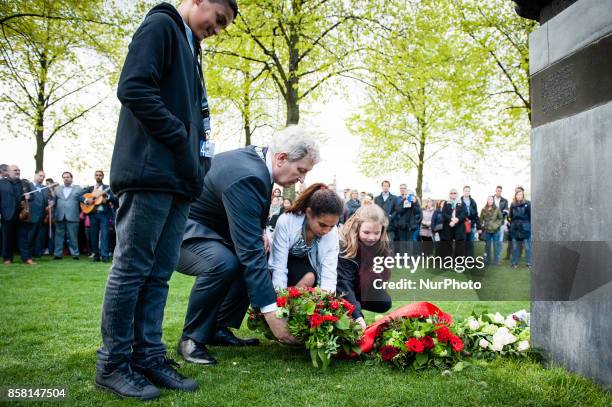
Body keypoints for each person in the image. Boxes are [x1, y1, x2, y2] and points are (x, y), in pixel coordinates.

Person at [95, 0, 238, 401]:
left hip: (178, 180)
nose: (218, 28)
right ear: (198, 2)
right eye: (219, 18)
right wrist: (179, 136)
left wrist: (196, 164)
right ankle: (114, 363)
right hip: (149, 174)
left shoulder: (190, 46)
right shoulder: (160, 26)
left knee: (158, 275)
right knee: (132, 269)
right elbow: (134, 87)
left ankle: (148, 357)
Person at [175, 126, 318, 366]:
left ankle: (217, 328)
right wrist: (271, 313)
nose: (302, 178)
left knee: (251, 255)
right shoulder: (250, 175)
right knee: (224, 262)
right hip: (182, 235)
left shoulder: (256, 163)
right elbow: (249, 253)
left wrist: (261, 231)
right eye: (301, 170)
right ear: (281, 158)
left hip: (211, 233)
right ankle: (191, 338)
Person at [269, 183, 343, 291]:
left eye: (332, 226)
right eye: (322, 224)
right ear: (309, 213)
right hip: (282, 259)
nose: (326, 231)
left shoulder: (332, 232)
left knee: (309, 278)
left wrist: (327, 301)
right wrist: (279, 298)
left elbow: (329, 269)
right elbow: (278, 266)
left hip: (306, 266)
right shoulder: (286, 221)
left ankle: (293, 304)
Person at [336, 205, 392, 330]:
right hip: (339, 286)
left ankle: (353, 303)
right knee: (347, 296)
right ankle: (345, 306)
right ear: (357, 228)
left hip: (359, 287)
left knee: (384, 302)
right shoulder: (345, 247)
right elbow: (343, 283)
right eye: (366, 232)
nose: (372, 237)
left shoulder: (380, 247)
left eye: (376, 233)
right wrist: (357, 315)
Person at [0, 165, 34, 264]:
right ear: (8, 172)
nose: (18, 172)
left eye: (19, 170)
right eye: (15, 170)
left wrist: (29, 197)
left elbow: (33, 197)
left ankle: (26, 258)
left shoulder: (25, 183)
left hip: (22, 215)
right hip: (7, 214)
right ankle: (7, 259)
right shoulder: (1, 183)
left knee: (23, 238)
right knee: (7, 238)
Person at [81, 171, 116, 262]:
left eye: (100, 175)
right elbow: (78, 196)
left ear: (103, 177)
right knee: (94, 236)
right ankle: (96, 256)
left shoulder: (108, 188)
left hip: (104, 214)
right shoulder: (90, 188)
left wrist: (107, 196)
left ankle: (105, 256)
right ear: (94, 176)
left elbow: (114, 198)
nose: (98, 176)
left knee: (105, 235)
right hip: (93, 214)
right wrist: (86, 201)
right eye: (96, 175)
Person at [52, 172, 83, 260]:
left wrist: (87, 201)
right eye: (64, 177)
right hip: (60, 216)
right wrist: (51, 204)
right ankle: (57, 254)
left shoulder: (78, 189)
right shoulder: (57, 189)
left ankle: (75, 254)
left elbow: (82, 198)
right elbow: (54, 201)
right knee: (59, 236)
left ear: (71, 178)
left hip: (73, 216)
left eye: (68, 177)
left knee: (73, 236)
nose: (66, 178)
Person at [439, 189, 467, 263]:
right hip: (448, 227)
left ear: (457, 194)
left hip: (459, 227)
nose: (453, 194)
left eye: (455, 193)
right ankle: (447, 263)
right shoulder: (446, 203)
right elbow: (444, 214)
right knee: (447, 246)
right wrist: (451, 219)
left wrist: (457, 219)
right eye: (451, 193)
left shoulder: (461, 203)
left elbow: (465, 213)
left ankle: (459, 263)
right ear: (449, 194)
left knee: (460, 247)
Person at [393, 189, 422, 255]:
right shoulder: (402, 201)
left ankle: (408, 260)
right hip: (402, 226)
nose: (407, 196)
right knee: (402, 243)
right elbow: (398, 211)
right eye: (406, 194)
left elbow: (418, 212)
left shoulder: (415, 202)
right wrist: (404, 202)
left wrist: (414, 203)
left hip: (411, 226)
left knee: (409, 243)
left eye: (409, 195)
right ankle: (403, 259)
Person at [28, 170, 49, 259]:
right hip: (31, 216)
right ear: (35, 175)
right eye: (40, 176)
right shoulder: (28, 186)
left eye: (43, 177)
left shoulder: (44, 188)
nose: (41, 178)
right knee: (30, 235)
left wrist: (49, 203)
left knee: (39, 236)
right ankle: (27, 254)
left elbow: (45, 202)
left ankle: (37, 253)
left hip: (42, 216)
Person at [509, 189, 532, 268]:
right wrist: (512, 225)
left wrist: (528, 226)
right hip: (515, 229)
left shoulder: (528, 204)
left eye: (521, 195)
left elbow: (530, 216)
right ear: (515, 196)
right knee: (515, 247)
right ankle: (514, 263)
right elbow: (510, 217)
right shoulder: (512, 204)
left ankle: (529, 263)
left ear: (523, 195)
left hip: (525, 229)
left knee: (527, 247)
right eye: (518, 195)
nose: (519, 196)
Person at [479, 196, 503, 266]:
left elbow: (501, 218)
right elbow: (480, 220)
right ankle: (487, 261)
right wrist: (482, 226)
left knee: (496, 246)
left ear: (493, 201)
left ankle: (496, 261)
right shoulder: (483, 209)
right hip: (487, 231)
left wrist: (496, 225)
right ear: (487, 200)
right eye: (489, 199)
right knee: (487, 246)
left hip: (496, 231)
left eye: (491, 199)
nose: (490, 201)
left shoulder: (497, 209)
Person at [461, 186, 479, 258]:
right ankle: (462, 259)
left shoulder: (473, 201)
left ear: (470, 192)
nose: (467, 192)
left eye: (468, 191)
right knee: (463, 242)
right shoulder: (459, 201)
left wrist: (478, 225)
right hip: (462, 225)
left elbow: (476, 214)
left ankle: (470, 259)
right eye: (465, 191)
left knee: (470, 243)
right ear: (463, 192)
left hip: (471, 224)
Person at [493, 185, 509, 262]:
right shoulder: (491, 198)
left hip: (501, 223)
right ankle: (488, 258)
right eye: (497, 190)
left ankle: (497, 258)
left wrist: (498, 214)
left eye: (500, 191)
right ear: (495, 191)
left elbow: (506, 211)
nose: (498, 192)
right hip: (491, 224)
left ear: (501, 191)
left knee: (499, 242)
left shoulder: (505, 201)